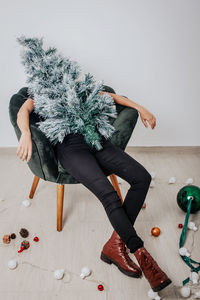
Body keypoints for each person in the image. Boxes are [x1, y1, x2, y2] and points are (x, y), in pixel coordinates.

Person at [16, 87, 172, 292]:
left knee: (142, 178)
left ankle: (114, 246)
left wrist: (141, 108)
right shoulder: (42, 94)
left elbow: (114, 97)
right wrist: (26, 133)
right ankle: (141, 254)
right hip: (70, 150)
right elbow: (22, 111)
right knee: (109, 195)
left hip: (96, 141)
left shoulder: (79, 89)